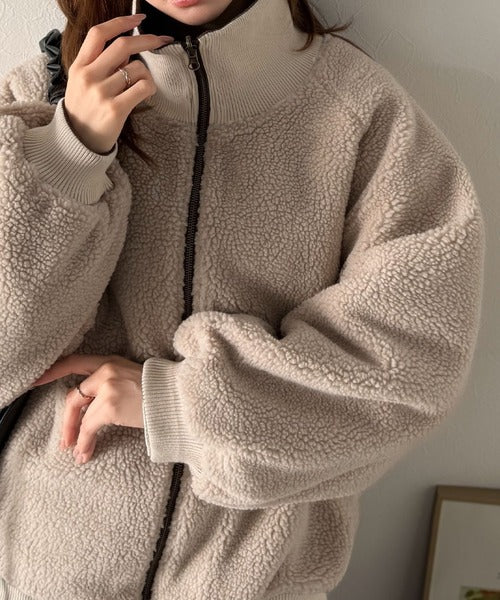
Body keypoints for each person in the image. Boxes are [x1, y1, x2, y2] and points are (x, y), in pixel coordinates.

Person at [0, 0, 485, 598]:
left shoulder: (362, 112)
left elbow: (410, 368)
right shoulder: (38, 96)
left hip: (257, 577)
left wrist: (179, 406)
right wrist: (69, 152)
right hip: (45, 568)